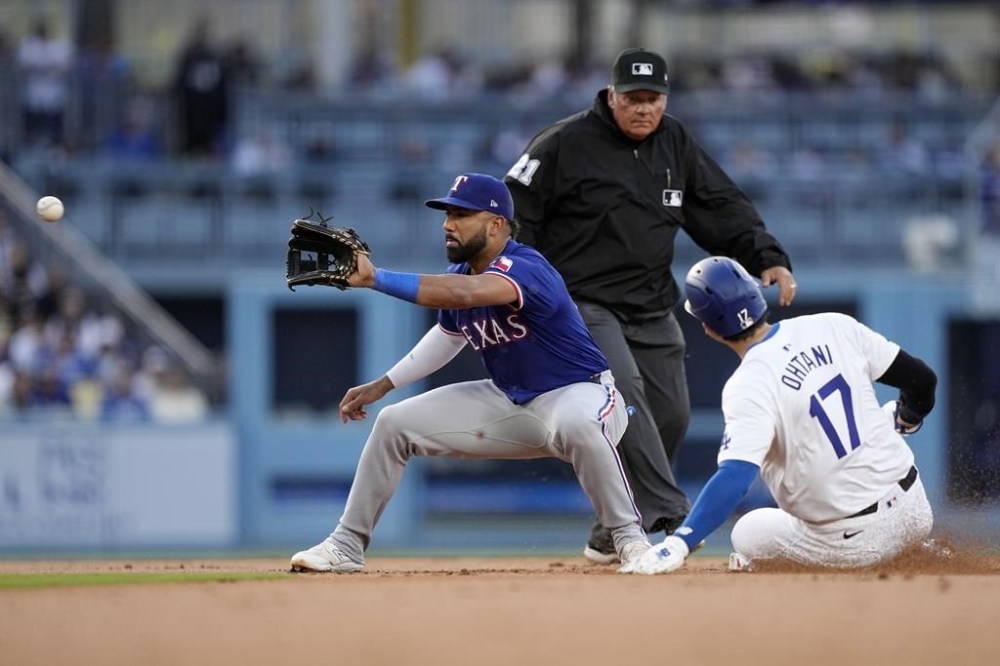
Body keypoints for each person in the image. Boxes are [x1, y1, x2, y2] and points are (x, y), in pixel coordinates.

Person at [503, 47, 797, 564]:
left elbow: (719, 205)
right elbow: (512, 214)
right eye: (634, 98)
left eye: (654, 98)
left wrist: (765, 256)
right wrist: (520, 287)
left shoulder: (675, 142)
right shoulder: (562, 143)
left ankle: (610, 530)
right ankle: (669, 513)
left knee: (671, 413)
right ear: (611, 95)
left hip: (652, 304)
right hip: (581, 304)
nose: (645, 109)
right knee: (626, 394)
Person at [289, 173, 651, 574]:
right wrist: (385, 384)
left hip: (579, 393)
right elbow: (447, 338)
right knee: (394, 424)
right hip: (511, 400)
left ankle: (630, 540)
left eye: (461, 214)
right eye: (447, 214)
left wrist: (376, 278)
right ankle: (345, 545)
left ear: (496, 224)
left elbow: (467, 295)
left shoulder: (527, 266)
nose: (448, 223)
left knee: (580, 423)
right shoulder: (458, 272)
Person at [633, 256, 936, 574]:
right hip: (915, 511)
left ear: (708, 328)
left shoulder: (748, 384)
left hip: (851, 544)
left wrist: (679, 542)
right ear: (757, 296)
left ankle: (783, 562)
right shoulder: (834, 325)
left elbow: (735, 479)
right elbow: (922, 380)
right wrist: (905, 419)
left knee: (747, 532)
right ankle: (911, 547)